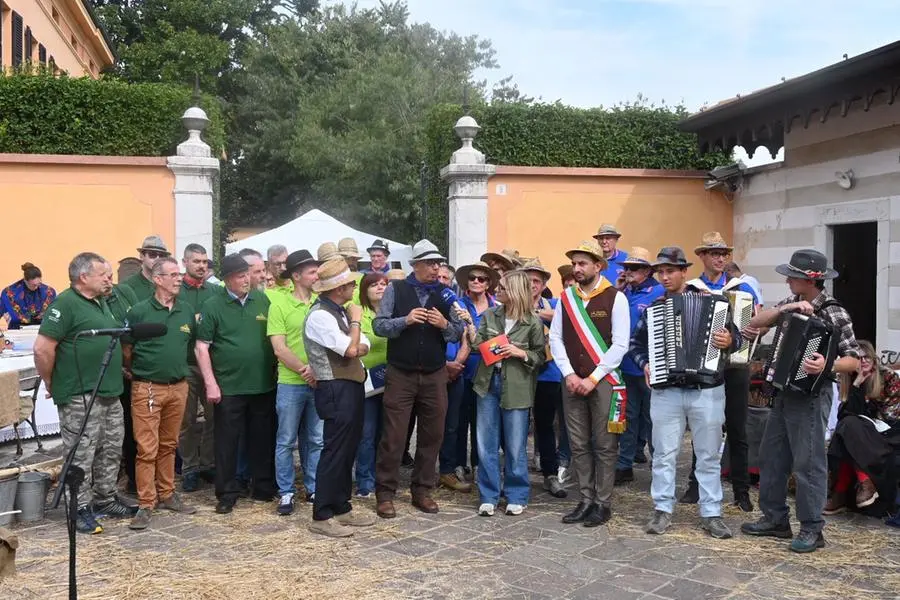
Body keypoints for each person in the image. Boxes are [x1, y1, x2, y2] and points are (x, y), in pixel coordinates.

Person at [741, 249, 860, 553]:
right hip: (782, 393)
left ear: (810, 279)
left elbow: (854, 361)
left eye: (792, 275)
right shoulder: (789, 304)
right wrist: (786, 309)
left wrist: (827, 365)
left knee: (808, 464)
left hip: (811, 397)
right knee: (772, 457)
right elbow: (756, 322)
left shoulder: (834, 312)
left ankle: (812, 529)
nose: (787, 279)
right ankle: (775, 519)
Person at [629, 247, 738, 539]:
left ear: (683, 272)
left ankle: (712, 512)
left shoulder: (714, 303)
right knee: (664, 453)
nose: (664, 277)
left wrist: (729, 340)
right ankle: (662, 509)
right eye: (660, 272)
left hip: (708, 388)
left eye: (670, 271)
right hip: (667, 390)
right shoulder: (652, 310)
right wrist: (647, 364)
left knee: (708, 454)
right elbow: (636, 345)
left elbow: (736, 339)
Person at [33, 252, 136, 534]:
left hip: (109, 390)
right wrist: (52, 382)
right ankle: (78, 507)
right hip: (80, 393)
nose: (109, 279)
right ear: (83, 277)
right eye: (103, 274)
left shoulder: (103, 302)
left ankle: (105, 498)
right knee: (81, 453)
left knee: (111, 447)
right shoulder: (65, 303)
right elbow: (43, 348)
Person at [372, 240, 465, 518]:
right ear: (416, 265)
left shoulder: (446, 294)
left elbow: (459, 332)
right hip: (401, 373)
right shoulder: (395, 289)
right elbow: (379, 326)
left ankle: (422, 490)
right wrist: (405, 320)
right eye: (431, 263)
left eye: (439, 263)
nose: (436, 268)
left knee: (432, 434)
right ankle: (385, 493)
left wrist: (444, 325)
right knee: (394, 435)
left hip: (435, 374)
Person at [549, 240, 630, 527]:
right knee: (578, 443)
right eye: (574, 264)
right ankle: (584, 498)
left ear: (598, 266)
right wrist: (570, 374)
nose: (577, 268)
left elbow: (620, 344)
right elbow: (555, 338)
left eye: (582, 263)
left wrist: (593, 377)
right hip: (572, 382)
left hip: (603, 381)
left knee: (605, 444)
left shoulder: (615, 298)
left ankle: (602, 502)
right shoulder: (566, 298)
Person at [680, 232, 760, 512]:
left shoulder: (744, 290)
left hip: (735, 367)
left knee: (738, 428)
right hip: (702, 367)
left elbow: (753, 328)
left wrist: (743, 334)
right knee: (702, 428)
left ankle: (741, 490)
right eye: (714, 253)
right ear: (702, 256)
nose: (720, 258)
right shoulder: (691, 289)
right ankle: (695, 485)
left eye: (724, 254)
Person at [195, 254, 278, 514]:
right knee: (227, 442)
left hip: (263, 384)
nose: (247, 280)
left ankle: (263, 487)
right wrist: (211, 383)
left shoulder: (261, 299)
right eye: (241, 276)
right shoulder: (212, 305)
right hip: (229, 386)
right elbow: (201, 347)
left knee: (262, 439)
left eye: (248, 275)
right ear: (228, 279)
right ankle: (227, 492)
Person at [460, 271, 545, 516]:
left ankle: (516, 494)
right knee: (485, 443)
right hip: (487, 383)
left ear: (515, 292)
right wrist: (471, 331)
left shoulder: (533, 322)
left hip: (517, 387)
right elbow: (478, 347)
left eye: (503, 288)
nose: (497, 291)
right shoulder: (490, 315)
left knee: (516, 445)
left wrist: (521, 353)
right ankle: (488, 495)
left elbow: (540, 356)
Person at [122, 257, 197, 530]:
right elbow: (126, 349)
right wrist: (138, 372)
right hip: (148, 387)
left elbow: (188, 348)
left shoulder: (186, 311)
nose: (179, 279)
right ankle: (145, 502)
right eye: (173, 274)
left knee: (169, 444)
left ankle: (167, 494)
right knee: (147, 448)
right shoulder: (139, 312)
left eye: (179, 274)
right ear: (158, 279)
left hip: (179, 386)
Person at [303, 258, 376, 537]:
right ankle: (321, 514)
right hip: (334, 388)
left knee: (347, 449)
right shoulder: (321, 315)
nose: (354, 287)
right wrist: (356, 323)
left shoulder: (339, 311)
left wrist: (356, 338)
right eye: (349, 284)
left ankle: (341, 506)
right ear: (338, 289)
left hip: (350, 385)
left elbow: (363, 344)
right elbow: (350, 349)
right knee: (334, 450)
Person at [268, 250, 323, 515]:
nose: (316, 275)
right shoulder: (278, 304)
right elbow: (279, 347)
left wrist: (317, 372)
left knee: (316, 438)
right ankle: (287, 491)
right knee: (286, 440)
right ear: (296, 275)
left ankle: (313, 488)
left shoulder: (321, 303)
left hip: (319, 381)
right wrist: (305, 370)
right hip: (291, 382)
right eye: (312, 271)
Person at [825, 340, 900, 517]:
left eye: (866, 357)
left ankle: (841, 493)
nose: (863, 361)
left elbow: (891, 416)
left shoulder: (888, 377)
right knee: (848, 427)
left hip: (890, 432)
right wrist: (857, 384)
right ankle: (863, 483)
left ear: (874, 359)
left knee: (848, 431)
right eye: (858, 358)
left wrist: (866, 416)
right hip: (863, 433)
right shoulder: (848, 380)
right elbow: (844, 416)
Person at [519, 259, 569, 498]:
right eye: (527, 280)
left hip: (548, 374)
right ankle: (514, 472)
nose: (532, 285)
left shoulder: (554, 304)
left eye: (536, 281)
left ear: (544, 284)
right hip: (519, 373)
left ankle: (550, 473)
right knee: (515, 425)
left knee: (546, 425)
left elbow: (566, 315)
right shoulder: (512, 305)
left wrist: (535, 312)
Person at [615, 248, 664, 484]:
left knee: (653, 418)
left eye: (633, 268)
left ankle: (659, 466)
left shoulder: (659, 292)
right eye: (626, 267)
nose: (628, 272)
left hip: (651, 365)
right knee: (627, 416)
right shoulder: (623, 293)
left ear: (646, 270)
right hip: (626, 365)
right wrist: (618, 288)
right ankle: (624, 465)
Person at [454, 261, 499, 482]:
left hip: (487, 368)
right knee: (459, 419)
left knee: (483, 421)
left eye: (481, 279)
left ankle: (478, 462)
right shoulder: (457, 304)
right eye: (472, 278)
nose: (476, 282)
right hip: (463, 368)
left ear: (489, 283)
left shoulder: (497, 307)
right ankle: (458, 463)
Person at [178, 244, 217, 492]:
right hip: (185, 365)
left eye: (204, 261)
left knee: (214, 417)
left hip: (211, 365)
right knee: (186, 420)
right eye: (196, 262)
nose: (201, 266)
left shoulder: (215, 292)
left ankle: (208, 463)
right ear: (185, 263)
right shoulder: (175, 291)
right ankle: (189, 467)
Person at [355, 273, 389, 497]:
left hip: (392, 380)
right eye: (374, 284)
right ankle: (365, 481)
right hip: (366, 382)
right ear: (364, 290)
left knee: (386, 433)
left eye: (384, 284)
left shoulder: (393, 312)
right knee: (366, 433)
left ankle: (383, 478)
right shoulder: (359, 313)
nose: (380, 287)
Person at [1, 263, 57, 328]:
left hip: (42, 330)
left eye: (38, 284)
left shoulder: (49, 292)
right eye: (33, 285)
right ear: (25, 280)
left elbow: (54, 314)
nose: (36, 287)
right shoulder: (9, 292)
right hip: (17, 331)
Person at [122, 235, 171, 301]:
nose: (157, 259)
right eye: (152, 254)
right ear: (141, 256)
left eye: (162, 256)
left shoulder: (170, 284)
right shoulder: (128, 286)